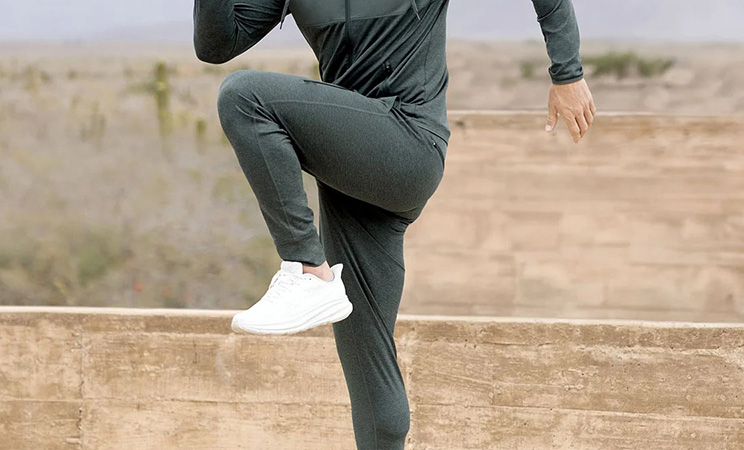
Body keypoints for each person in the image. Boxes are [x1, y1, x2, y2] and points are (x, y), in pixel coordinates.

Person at [193, 0, 595, 448]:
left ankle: (307, 270)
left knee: (244, 98)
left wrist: (568, 73)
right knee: (370, 376)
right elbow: (215, 43)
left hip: (408, 143)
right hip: (352, 167)